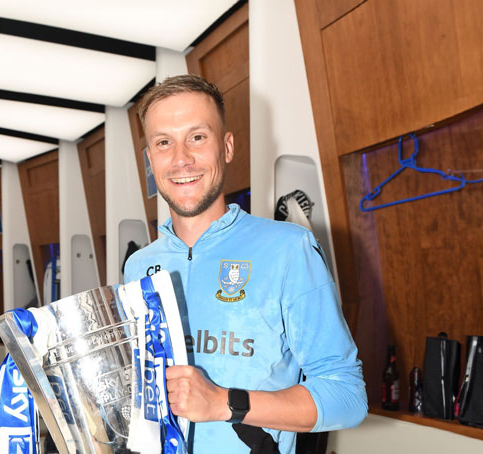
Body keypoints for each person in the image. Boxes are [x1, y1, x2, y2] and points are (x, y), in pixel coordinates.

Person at [123, 74, 367, 453]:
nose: (181, 158)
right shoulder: (139, 266)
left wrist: (223, 402)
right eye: (164, 143)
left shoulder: (289, 249)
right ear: (150, 160)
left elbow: (347, 396)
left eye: (197, 137)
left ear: (228, 147)